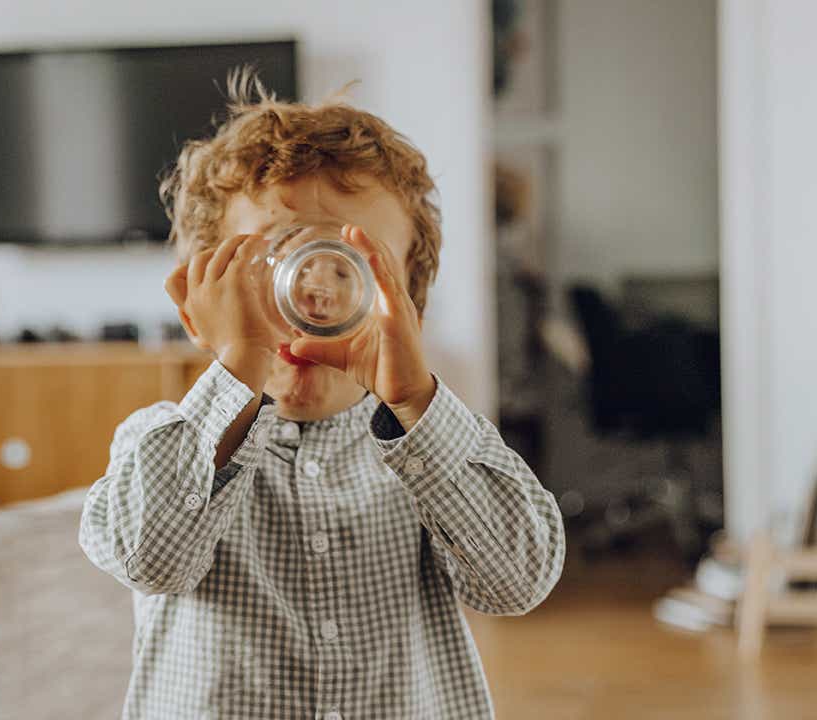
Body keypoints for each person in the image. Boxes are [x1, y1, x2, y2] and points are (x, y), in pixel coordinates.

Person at [79, 73, 565, 719]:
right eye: (274, 260)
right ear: (200, 306)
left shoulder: (440, 452)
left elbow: (517, 583)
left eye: (351, 264)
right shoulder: (159, 442)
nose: (313, 292)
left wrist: (417, 399)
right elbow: (151, 558)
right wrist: (238, 365)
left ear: (409, 306)